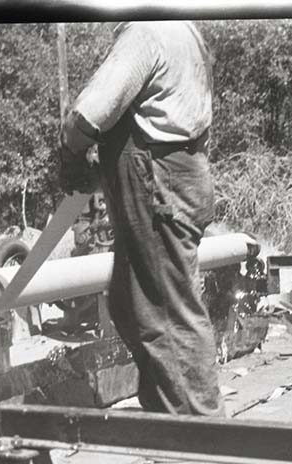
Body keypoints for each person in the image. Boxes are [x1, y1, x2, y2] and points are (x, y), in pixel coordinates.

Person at [59, 20, 223, 417]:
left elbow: (90, 115)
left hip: (156, 179)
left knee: (164, 307)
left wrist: (71, 149)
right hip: (180, 172)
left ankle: (198, 427)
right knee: (130, 303)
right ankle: (167, 409)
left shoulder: (146, 33)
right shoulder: (186, 31)